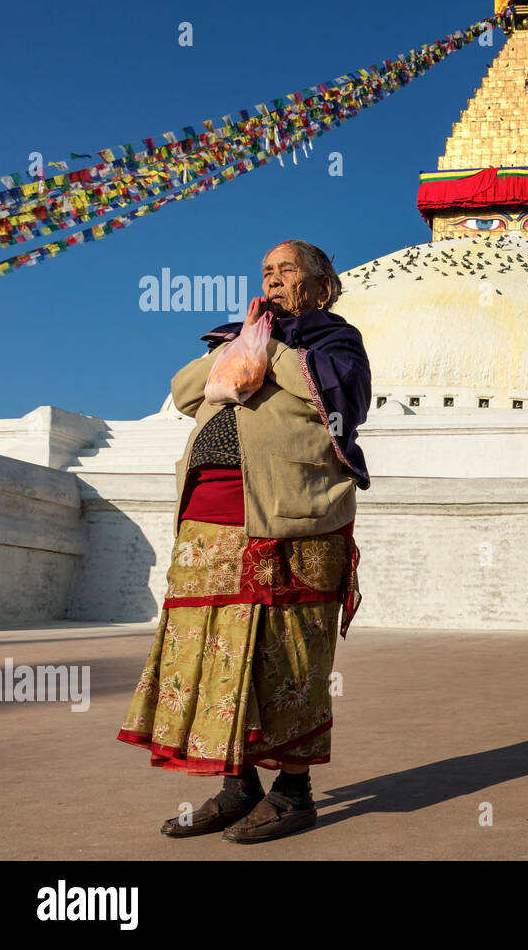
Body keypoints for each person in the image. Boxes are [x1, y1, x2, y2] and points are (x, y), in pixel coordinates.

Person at [117, 240, 372, 844]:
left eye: (288, 270)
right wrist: (240, 345)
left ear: (322, 286)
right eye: (267, 272)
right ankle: (237, 788)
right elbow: (185, 394)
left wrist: (273, 348)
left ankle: (293, 793)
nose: (275, 280)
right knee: (211, 654)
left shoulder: (334, 340)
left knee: (286, 654)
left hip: (287, 520)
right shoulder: (240, 338)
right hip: (208, 526)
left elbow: (334, 395)